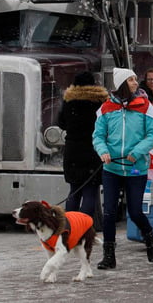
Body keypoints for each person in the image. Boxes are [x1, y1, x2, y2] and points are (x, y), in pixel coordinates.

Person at [92, 68, 153, 268]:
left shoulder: (145, 106)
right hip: (111, 168)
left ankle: (150, 239)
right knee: (109, 213)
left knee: (135, 211)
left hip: (135, 168)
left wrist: (138, 151)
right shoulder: (106, 108)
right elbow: (98, 136)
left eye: (135, 79)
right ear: (121, 84)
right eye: (131, 80)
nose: (135, 83)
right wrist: (103, 151)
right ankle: (109, 256)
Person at [58, 71, 109, 226]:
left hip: (73, 150)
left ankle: (69, 226)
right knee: (90, 191)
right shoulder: (100, 102)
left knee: (74, 190)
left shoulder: (69, 101)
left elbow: (61, 123)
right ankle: (84, 226)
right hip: (94, 150)